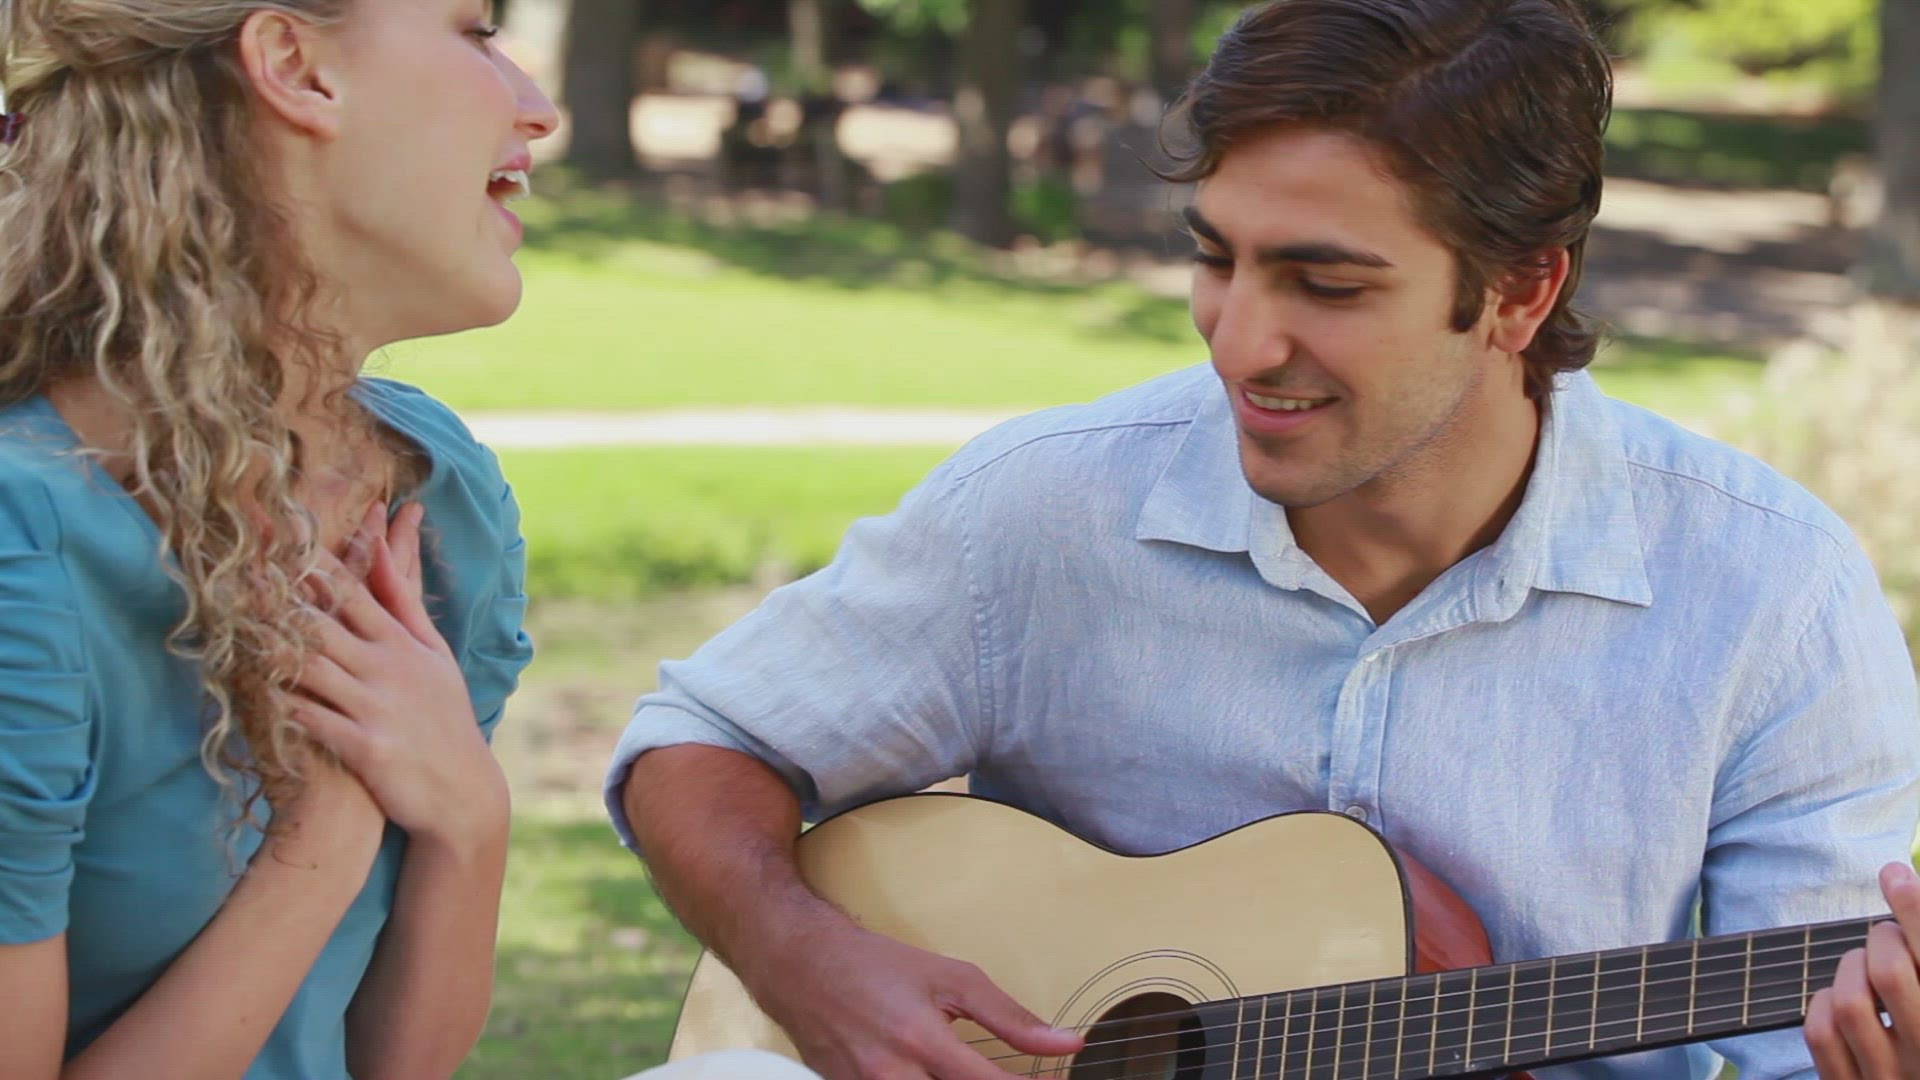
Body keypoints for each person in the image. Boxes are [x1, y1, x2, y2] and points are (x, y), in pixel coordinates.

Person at [604, 1, 1920, 1078]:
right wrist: (807, 961)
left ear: (1521, 291)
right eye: (1216, 258)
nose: (1238, 341)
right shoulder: (1044, 511)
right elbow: (701, 742)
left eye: (1324, 283)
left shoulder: (1770, 592)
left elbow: (1820, 1035)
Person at [0, 1, 553, 1076]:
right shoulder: (26, 539)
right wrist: (324, 838)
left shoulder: (442, 496)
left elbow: (399, 1062)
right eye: (473, 32)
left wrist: (467, 816)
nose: (538, 110)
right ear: (296, 67)